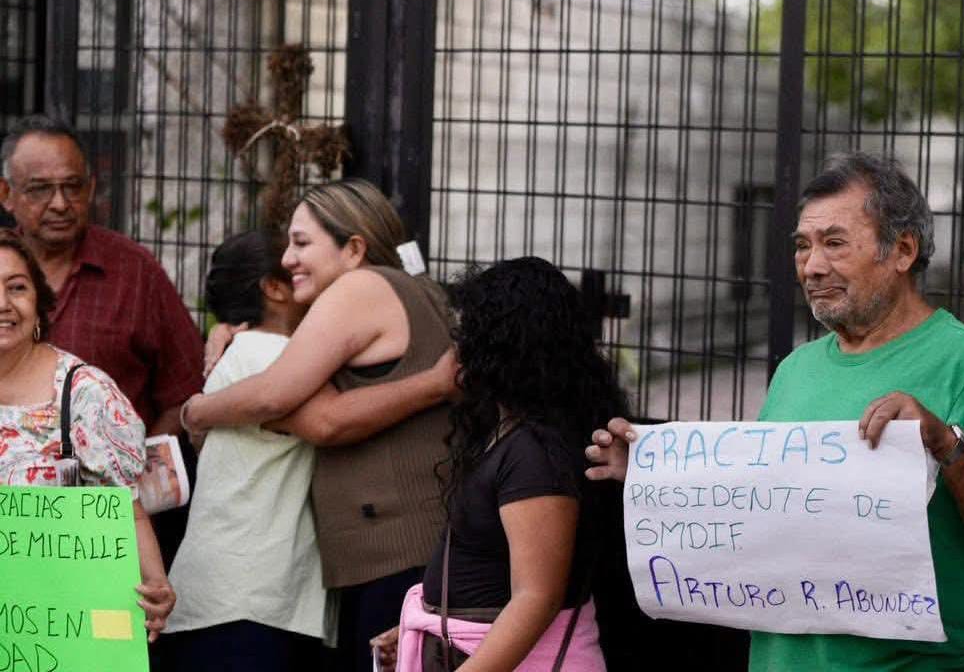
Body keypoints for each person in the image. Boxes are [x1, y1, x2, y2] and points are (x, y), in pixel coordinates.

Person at [585, 152, 964, 670]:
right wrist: (654, 474)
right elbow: (758, 502)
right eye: (803, 246)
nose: (812, 265)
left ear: (903, 250)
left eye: (834, 243)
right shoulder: (795, 370)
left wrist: (948, 446)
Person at [180, 179, 459, 670]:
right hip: (396, 553)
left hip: (395, 554)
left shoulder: (361, 286)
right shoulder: (413, 290)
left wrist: (195, 410)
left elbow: (290, 402)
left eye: (302, 243)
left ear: (353, 249)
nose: (287, 259)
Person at [371, 257, 621, 671]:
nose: (456, 349)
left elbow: (536, 597)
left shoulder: (534, 453)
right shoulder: (510, 434)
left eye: (467, 334)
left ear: (498, 345)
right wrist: (428, 626)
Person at [0, 115, 205, 573]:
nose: (60, 203)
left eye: (73, 187)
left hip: (99, 540)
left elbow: (184, 390)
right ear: (6, 195)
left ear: (91, 189)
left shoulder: (134, 272)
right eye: (39, 189)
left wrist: (126, 464)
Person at [0, 228, 175, 641]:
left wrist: (157, 588)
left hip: (51, 632)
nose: (2, 304)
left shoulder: (84, 394)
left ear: (40, 303)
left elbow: (123, 509)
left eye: (17, 287)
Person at [162, 229, 325, 670]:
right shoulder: (270, 355)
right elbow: (331, 420)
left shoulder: (247, 349)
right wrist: (433, 384)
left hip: (234, 593)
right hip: (244, 597)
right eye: (296, 266)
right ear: (273, 287)